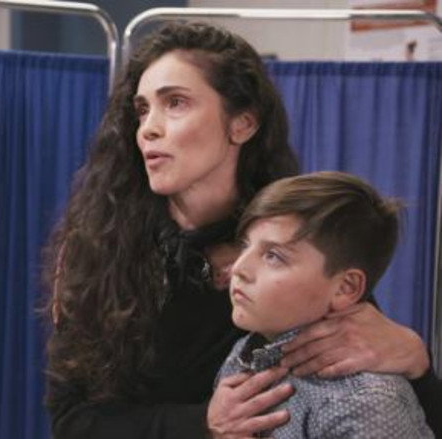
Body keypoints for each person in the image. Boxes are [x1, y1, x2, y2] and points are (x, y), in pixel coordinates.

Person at [44, 21, 442, 438]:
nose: (148, 128)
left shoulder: (302, 244)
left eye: (175, 102)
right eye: (142, 109)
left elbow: (387, 405)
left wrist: (417, 365)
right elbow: (72, 421)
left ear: (243, 124)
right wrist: (202, 424)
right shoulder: (100, 248)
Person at [218, 171, 432, 438]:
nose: (238, 268)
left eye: (273, 256)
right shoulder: (244, 353)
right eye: (245, 246)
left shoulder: (365, 403)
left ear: (345, 288)